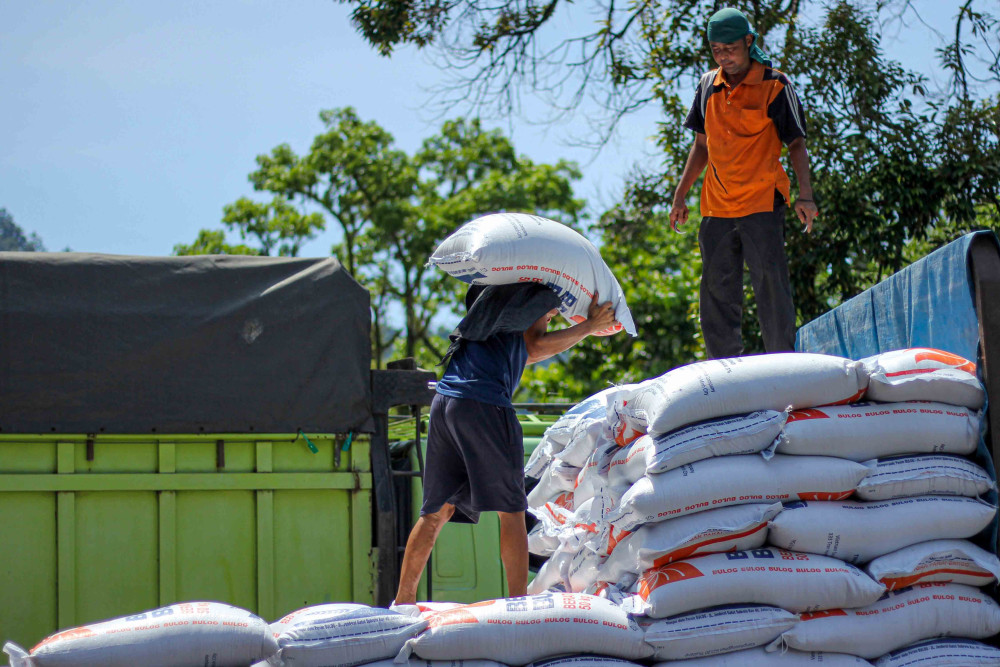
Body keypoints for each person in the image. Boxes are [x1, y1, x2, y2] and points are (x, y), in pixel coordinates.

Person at [392, 283, 619, 606]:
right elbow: (534, 347)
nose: (550, 316)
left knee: (436, 511)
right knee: (512, 510)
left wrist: (572, 324)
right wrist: (590, 327)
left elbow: (519, 353)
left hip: (446, 401)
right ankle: (518, 607)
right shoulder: (532, 293)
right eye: (550, 315)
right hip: (484, 403)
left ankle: (402, 601)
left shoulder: (490, 299)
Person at [669, 7, 820, 359]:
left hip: (762, 201)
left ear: (748, 42)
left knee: (771, 288)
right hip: (716, 206)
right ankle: (725, 371)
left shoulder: (775, 85)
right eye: (716, 49)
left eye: (730, 48)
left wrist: (806, 196)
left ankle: (782, 363)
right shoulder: (709, 84)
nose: (724, 56)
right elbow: (701, 145)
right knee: (716, 293)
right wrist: (680, 195)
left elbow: (796, 142)